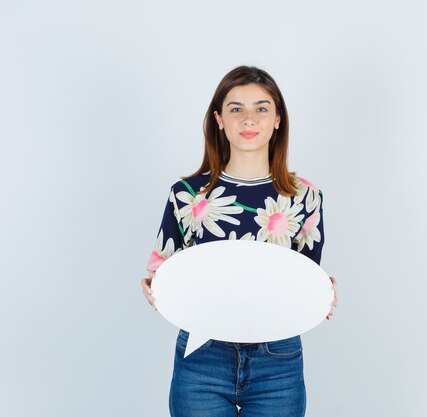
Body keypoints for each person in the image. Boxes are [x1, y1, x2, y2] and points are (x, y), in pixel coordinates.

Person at [141, 65, 337, 417]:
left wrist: (322, 292)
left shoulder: (305, 196)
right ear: (218, 119)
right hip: (202, 358)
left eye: (261, 108)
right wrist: (156, 285)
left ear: (278, 119)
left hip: (277, 359)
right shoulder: (187, 194)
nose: (249, 119)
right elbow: (163, 270)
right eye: (236, 109)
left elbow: (306, 274)